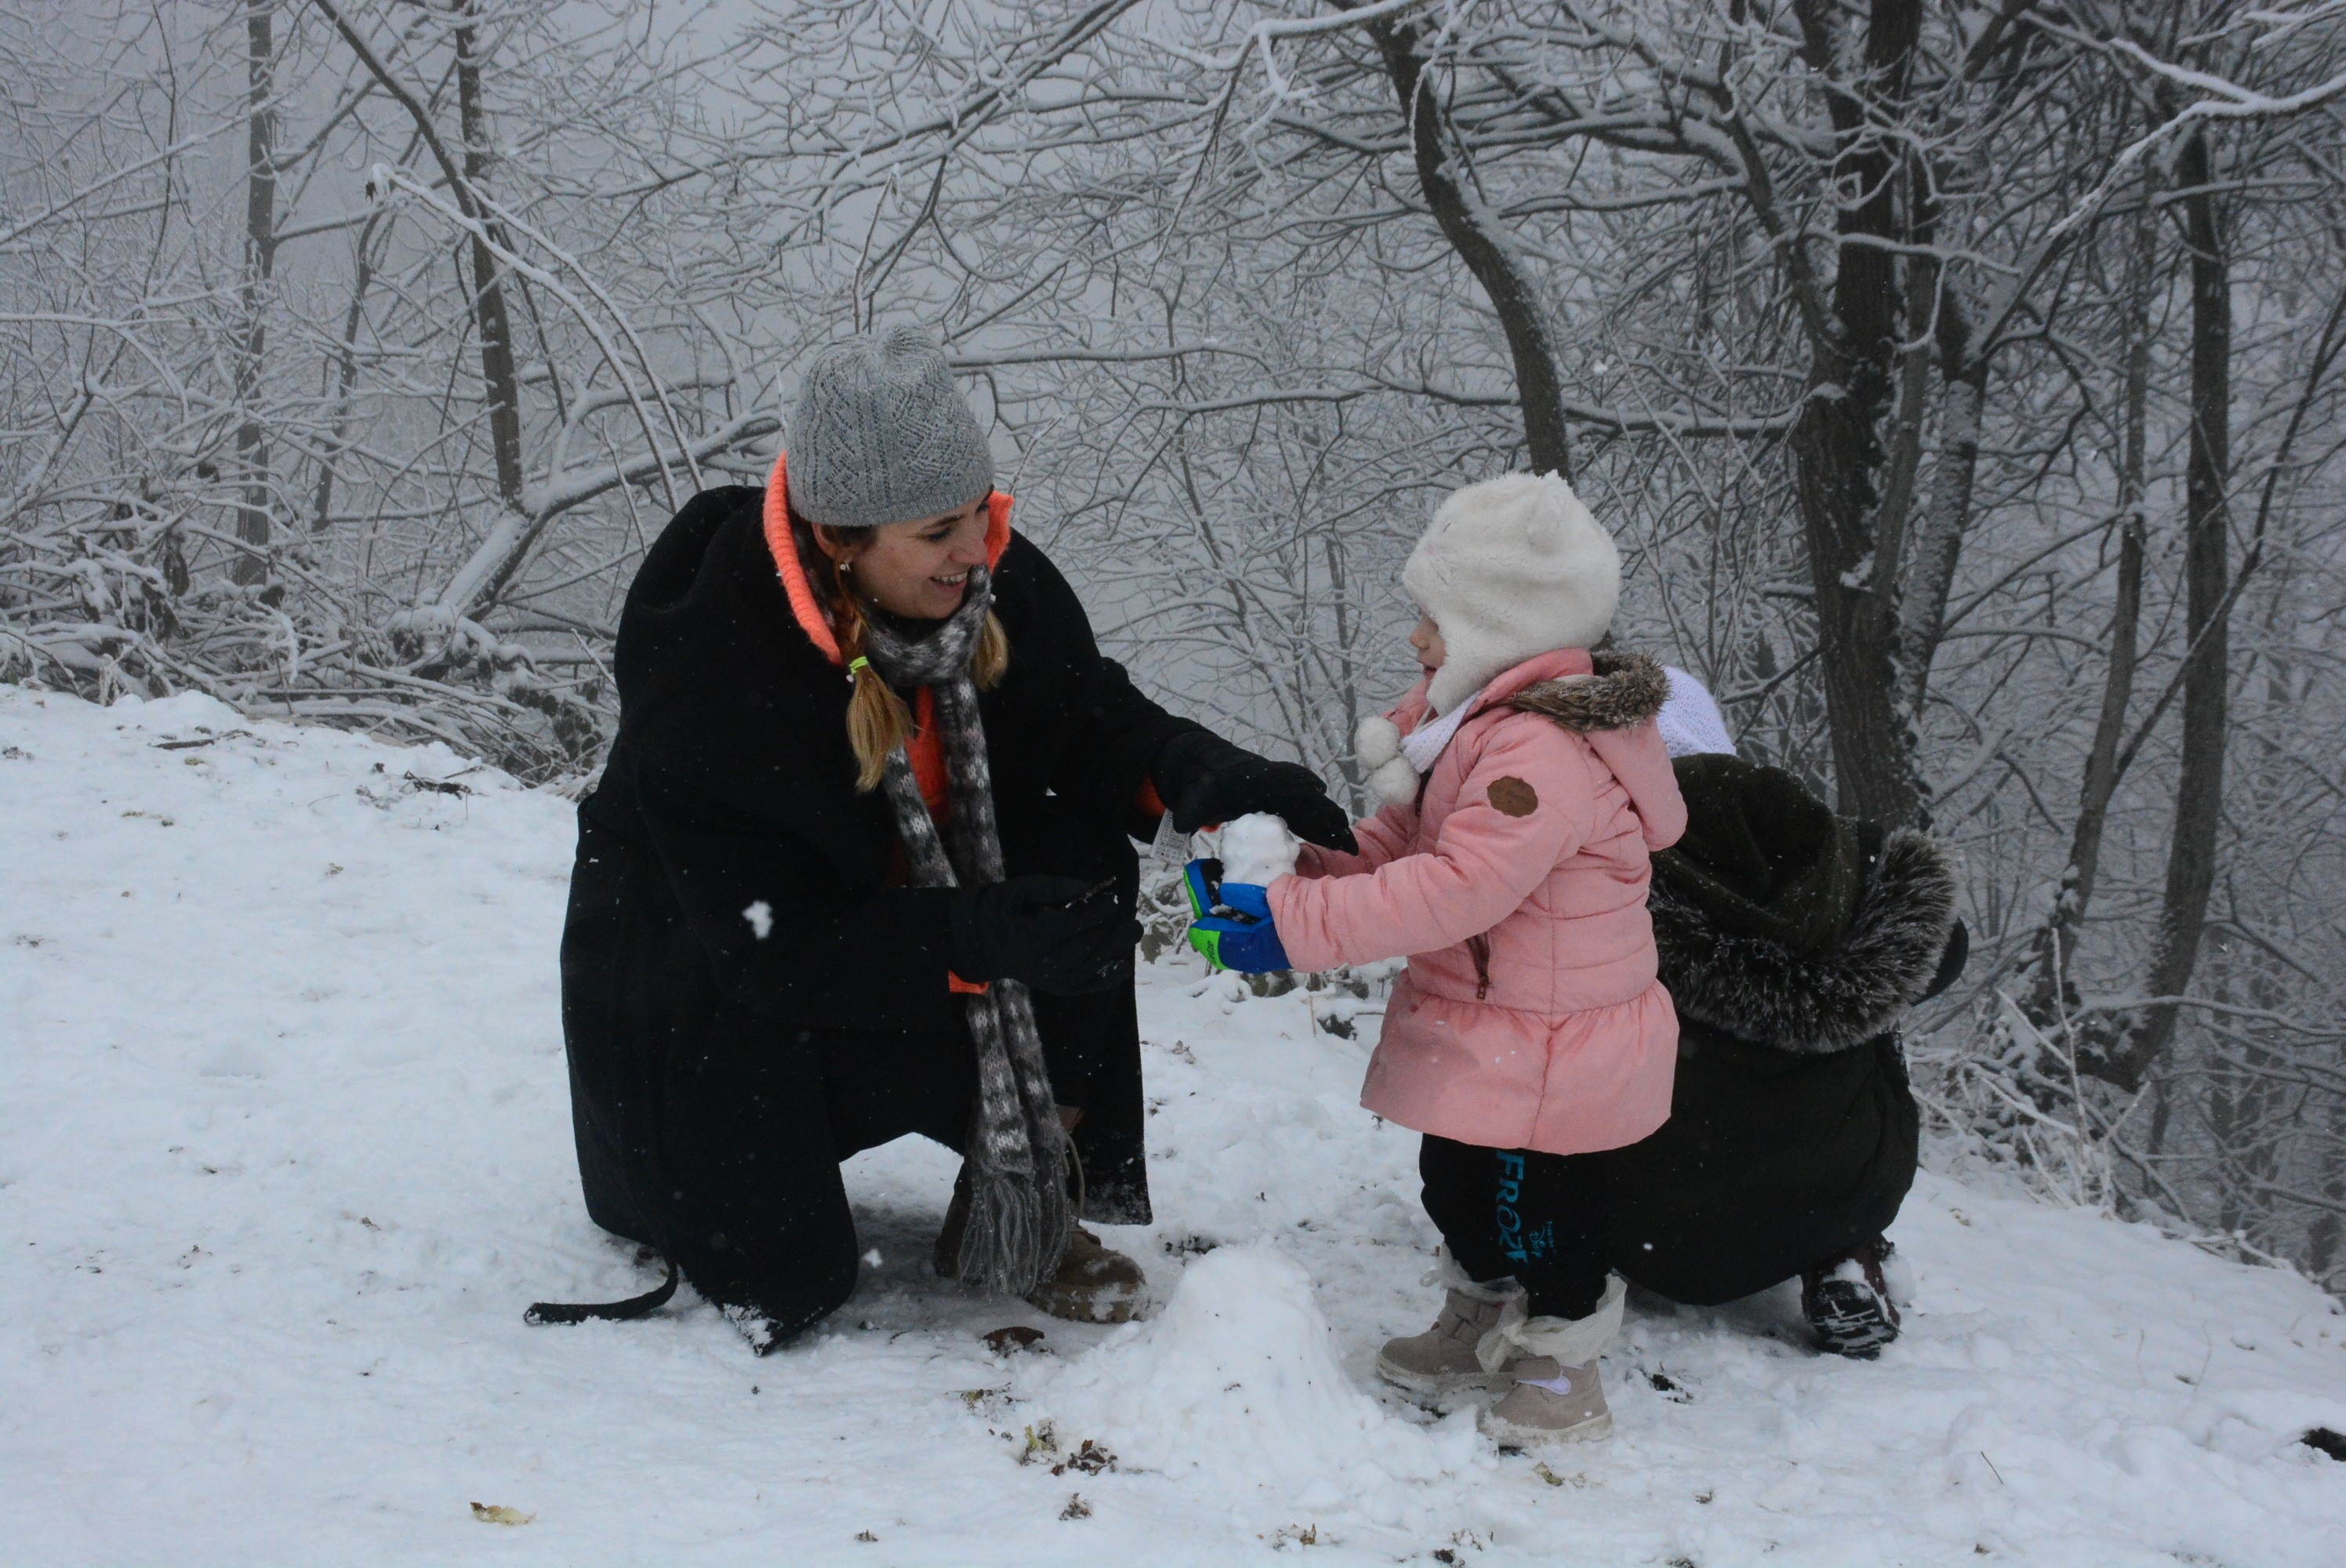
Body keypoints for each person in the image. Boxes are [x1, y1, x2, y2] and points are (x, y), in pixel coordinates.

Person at [552, 327, 1353, 1348]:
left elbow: (1087, 720)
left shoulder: (984, 583)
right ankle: (728, 1187)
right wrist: (975, 936)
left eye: (983, 511)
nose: (976, 552)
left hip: (890, 946)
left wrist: (1203, 774)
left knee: (1076, 870)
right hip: (708, 996)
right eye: (938, 531)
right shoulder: (712, 667)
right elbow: (771, 944)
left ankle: (1021, 1198)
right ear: (840, 539)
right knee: (784, 1279)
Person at [1189, 471, 1686, 1446]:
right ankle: (1481, 1313)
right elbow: (1409, 845)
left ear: (1504, 630)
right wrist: (1304, 869)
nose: (1417, 638)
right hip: (1494, 1027)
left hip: (1556, 1041)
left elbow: (1460, 886)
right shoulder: (1473, 721)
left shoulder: (1541, 751)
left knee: (1549, 1216)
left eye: (1436, 619)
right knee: (1457, 1185)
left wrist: (1295, 923)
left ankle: (1562, 1366)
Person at [1596, 677, 1966, 1357]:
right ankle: (1844, 1261)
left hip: (1634, 1209)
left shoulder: (1600, 873)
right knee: (1876, 1027)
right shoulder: (1846, 858)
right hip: (1824, 1202)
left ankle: (1556, 1251)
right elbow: (1947, 955)